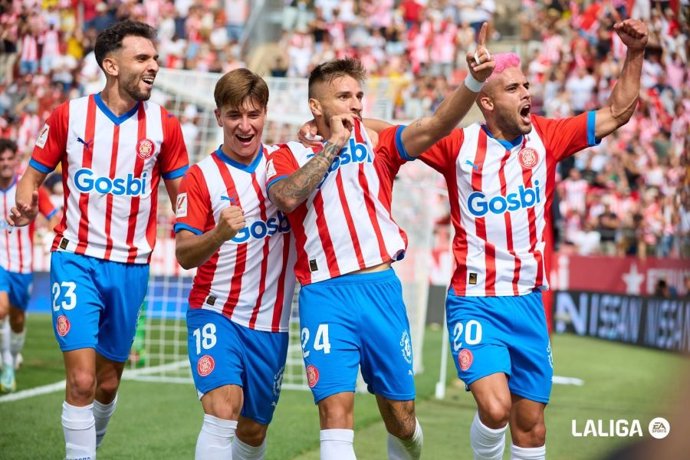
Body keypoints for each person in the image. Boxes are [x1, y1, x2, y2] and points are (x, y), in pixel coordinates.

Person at [411, 18, 647, 460]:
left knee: (531, 427)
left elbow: (618, 112)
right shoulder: (457, 147)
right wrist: (343, 121)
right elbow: (400, 136)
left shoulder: (548, 136)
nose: (527, 95)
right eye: (514, 88)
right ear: (486, 101)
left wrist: (634, 54)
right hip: (475, 299)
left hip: (527, 303)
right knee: (496, 409)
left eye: (526, 86)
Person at [266, 25, 494, 459]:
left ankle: (407, 445)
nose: (354, 104)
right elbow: (288, 196)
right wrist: (331, 144)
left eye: (357, 96)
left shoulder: (378, 142)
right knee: (335, 412)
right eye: (343, 97)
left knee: (400, 417)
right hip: (324, 294)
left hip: (381, 289)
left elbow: (438, 123)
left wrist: (473, 81)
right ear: (316, 105)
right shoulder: (286, 154)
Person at [9, 20, 188, 460]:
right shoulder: (70, 115)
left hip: (131, 267)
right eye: (142, 58)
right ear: (111, 64)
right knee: (83, 381)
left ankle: (93, 444)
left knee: (108, 383)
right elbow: (31, 176)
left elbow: (183, 197)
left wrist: (196, 233)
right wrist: (26, 201)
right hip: (77, 259)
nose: (154, 67)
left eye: (154, 59)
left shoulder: (165, 126)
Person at [174, 68, 296, 459]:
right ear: (218, 117)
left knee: (253, 431)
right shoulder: (201, 176)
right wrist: (218, 234)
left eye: (253, 114)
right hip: (216, 313)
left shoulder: (286, 166)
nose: (244, 126)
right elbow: (184, 253)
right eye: (234, 115)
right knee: (223, 410)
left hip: (271, 325)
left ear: (265, 115)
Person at [0, 138, 59, 392]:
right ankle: (7, 365)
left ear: (17, 159)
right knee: (1, 309)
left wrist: (49, 232)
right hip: (1, 261)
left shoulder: (30, 190)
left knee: (17, 319)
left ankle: (13, 355)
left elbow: (55, 218)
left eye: (8, 158)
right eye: (0, 159)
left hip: (23, 265)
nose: (4, 163)